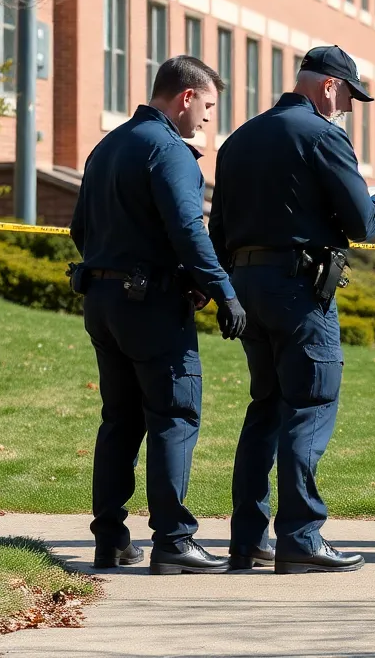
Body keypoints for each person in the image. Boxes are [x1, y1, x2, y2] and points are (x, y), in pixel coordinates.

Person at [209, 45, 375, 574]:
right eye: (349, 96)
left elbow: (217, 226)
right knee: (309, 403)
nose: (349, 108)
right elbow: (360, 224)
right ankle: (301, 537)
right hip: (299, 289)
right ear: (329, 85)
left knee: (265, 408)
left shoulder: (238, 139)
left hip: (246, 283)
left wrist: (225, 289)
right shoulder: (323, 135)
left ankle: (248, 538)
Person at [70, 56, 246, 576]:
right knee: (174, 415)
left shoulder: (108, 146)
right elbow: (189, 231)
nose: (209, 119)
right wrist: (223, 292)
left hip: (102, 302)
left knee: (119, 421)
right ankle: (174, 540)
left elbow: (81, 227)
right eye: (208, 106)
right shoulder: (169, 151)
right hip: (148, 308)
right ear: (186, 97)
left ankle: (110, 539)